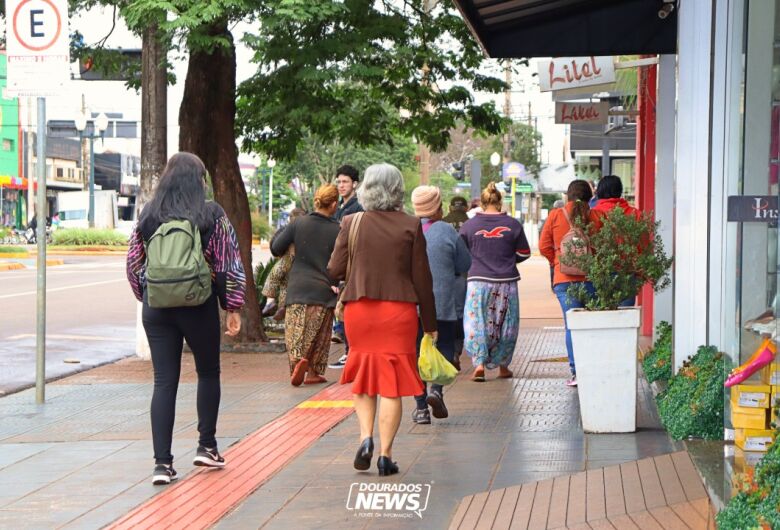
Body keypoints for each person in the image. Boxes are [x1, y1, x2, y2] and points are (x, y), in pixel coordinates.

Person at [126, 152, 246, 486]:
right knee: (208, 372)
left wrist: (149, 295)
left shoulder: (148, 215)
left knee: (164, 381)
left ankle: (162, 465)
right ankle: (206, 446)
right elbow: (228, 264)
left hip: (158, 309)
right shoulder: (210, 214)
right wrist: (232, 307)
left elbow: (134, 264)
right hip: (198, 305)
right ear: (199, 180)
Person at [327, 163, 436, 476]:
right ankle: (386, 455)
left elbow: (334, 270)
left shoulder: (351, 222)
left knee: (363, 374)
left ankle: (365, 438)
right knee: (391, 384)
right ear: (397, 189)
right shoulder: (411, 225)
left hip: (359, 309)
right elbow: (422, 280)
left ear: (366, 189)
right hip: (397, 312)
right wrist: (430, 325)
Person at [410, 186, 471, 424]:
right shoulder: (446, 230)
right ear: (436, 206)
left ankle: (421, 407)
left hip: (413, 305)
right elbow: (464, 263)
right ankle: (436, 389)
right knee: (444, 346)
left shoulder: (406, 229)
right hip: (442, 303)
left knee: (415, 352)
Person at [459, 182, 531, 382]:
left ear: (482, 203)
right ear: (500, 202)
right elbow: (524, 253)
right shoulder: (513, 224)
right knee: (506, 324)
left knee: (476, 322)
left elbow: (461, 253)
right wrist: (507, 259)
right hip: (506, 281)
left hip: (477, 282)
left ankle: (479, 364)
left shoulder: (469, 226)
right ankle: (503, 367)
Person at [271, 185, 341, 386]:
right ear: (334, 204)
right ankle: (312, 372)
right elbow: (342, 262)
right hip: (323, 290)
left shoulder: (299, 223)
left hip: (298, 288)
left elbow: (276, 248)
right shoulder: (338, 229)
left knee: (296, 331)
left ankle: (297, 362)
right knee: (318, 335)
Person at [539, 179, 601, 387]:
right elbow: (604, 246)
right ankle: (593, 368)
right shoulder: (596, 216)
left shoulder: (556, 215)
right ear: (590, 197)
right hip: (591, 278)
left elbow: (544, 246)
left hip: (564, 280)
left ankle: (577, 373)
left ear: (567, 196)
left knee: (571, 326)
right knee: (592, 326)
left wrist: (558, 262)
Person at [330, 165, 364, 366]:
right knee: (341, 309)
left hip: (352, 264)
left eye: (345, 182)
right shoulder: (338, 208)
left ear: (355, 184)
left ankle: (351, 351)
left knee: (347, 309)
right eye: (339, 182)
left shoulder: (358, 208)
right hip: (339, 263)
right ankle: (348, 348)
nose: (341, 186)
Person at [591, 175, 641, 307]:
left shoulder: (592, 214)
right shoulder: (635, 213)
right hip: (628, 271)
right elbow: (643, 244)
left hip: (600, 273)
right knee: (625, 319)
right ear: (620, 191)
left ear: (600, 191)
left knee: (602, 319)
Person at [262, 207, 306, 320]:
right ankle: (275, 303)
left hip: (295, 270)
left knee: (279, 277)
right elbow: (275, 246)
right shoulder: (286, 233)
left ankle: (272, 302)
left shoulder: (294, 232)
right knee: (279, 277)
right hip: (293, 267)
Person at [443, 196, 470, 371]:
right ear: (466, 207)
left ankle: (445, 351)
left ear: (450, 207)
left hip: (442, 275)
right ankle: (456, 351)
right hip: (464, 275)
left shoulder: (442, 223)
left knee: (444, 313)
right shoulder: (471, 224)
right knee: (461, 314)